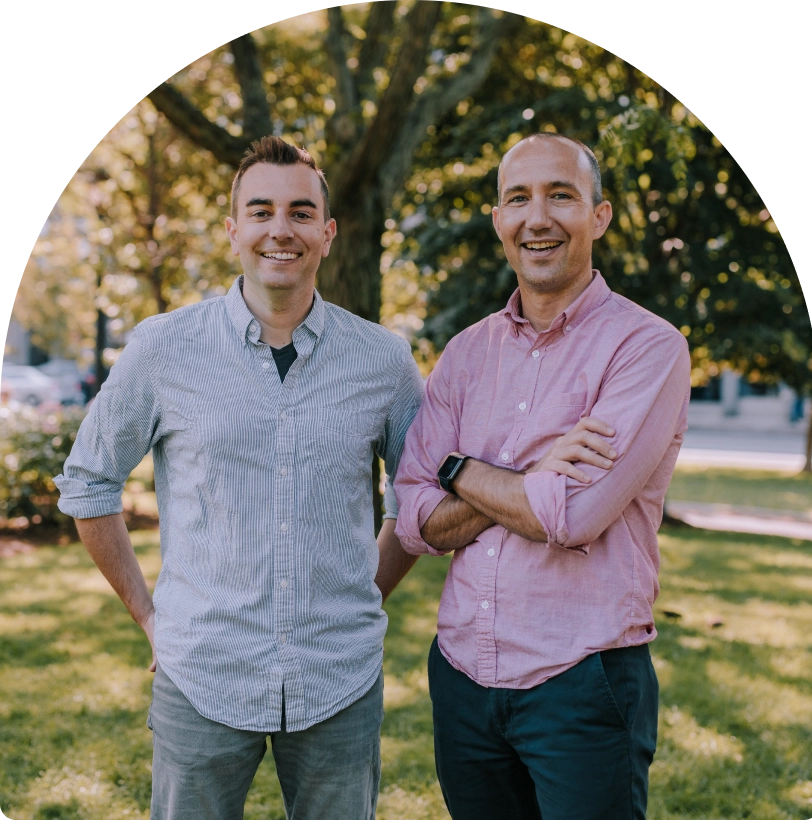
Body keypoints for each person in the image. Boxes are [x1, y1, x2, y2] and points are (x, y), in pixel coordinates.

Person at [54, 136, 423, 820]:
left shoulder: (384, 361)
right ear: (233, 231)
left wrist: (363, 594)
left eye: (300, 212)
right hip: (201, 672)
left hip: (337, 679)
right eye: (260, 211)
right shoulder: (163, 349)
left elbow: (420, 497)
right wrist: (148, 616)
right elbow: (88, 485)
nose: (280, 230)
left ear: (327, 232)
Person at [395, 132, 691, 820]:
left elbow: (574, 515)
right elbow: (416, 519)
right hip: (463, 678)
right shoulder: (466, 354)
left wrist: (459, 466)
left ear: (600, 215)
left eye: (561, 195)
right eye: (518, 198)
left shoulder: (647, 347)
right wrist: (533, 471)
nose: (538, 217)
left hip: (582, 683)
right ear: (498, 218)